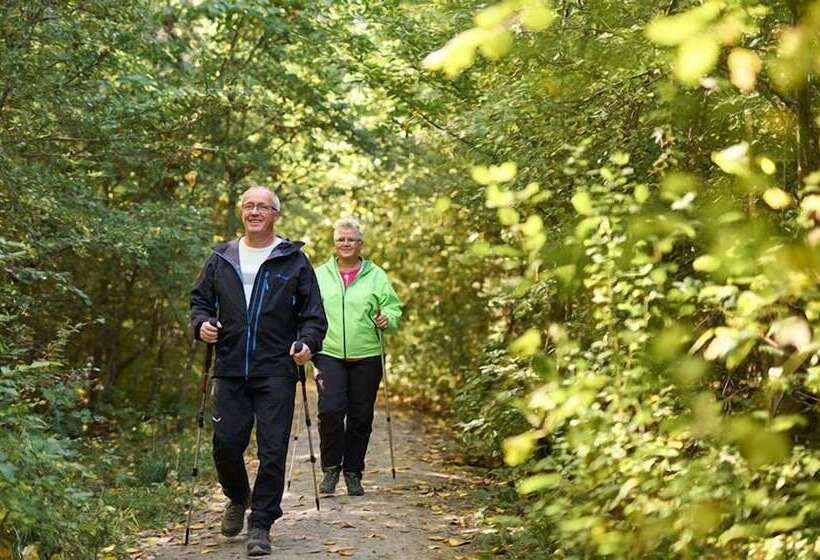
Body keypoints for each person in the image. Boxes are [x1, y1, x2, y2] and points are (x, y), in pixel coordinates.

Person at [190, 185, 327, 557]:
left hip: (276, 370)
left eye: (262, 206)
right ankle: (237, 495)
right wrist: (202, 323)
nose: (254, 212)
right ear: (241, 212)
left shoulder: (294, 260)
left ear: (275, 214)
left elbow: (313, 316)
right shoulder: (221, 257)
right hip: (231, 367)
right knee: (226, 444)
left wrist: (307, 345)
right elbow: (200, 302)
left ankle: (261, 523)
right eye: (248, 206)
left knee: (272, 450)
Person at [313, 217, 402, 496]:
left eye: (351, 239)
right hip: (329, 352)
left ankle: (353, 472)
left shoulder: (376, 275)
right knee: (330, 410)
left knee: (360, 416)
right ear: (334, 243)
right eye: (341, 239)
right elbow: (306, 308)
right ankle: (330, 470)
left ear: (360, 243)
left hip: (367, 353)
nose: (346, 243)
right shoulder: (319, 274)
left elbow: (393, 307)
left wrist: (388, 318)